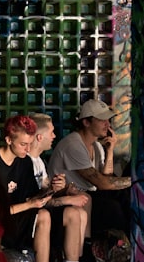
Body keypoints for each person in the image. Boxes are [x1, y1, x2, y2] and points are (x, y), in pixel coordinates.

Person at [0, 115, 74, 262]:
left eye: (29, 144)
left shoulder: (25, 162)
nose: (27, 150)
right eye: (23, 144)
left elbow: (33, 197)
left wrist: (53, 190)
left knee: (45, 215)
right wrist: (29, 205)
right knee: (41, 214)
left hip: (18, 218)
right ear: (8, 140)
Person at [28, 113, 94, 262]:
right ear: (40, 137)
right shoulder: (26, 161)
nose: (55, 136)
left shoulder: (39, 162)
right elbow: (35, 200)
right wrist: (65, 198)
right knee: (73, 212)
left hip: (43, 211)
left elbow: (45, 192)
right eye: (52, 132)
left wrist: (62, 188)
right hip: (30, 216)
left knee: (79, 211)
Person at [49, 98, 132, 238]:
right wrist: (136, 180)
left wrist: (110, 151)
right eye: (102, 120)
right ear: (86, 122)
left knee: (125, 197)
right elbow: (103, 183)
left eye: (108, 120)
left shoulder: (97, 146)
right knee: (113, 208)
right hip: (69, 197)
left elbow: (107, 179)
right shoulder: (73, 144)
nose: (107, 124)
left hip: (89, 195)